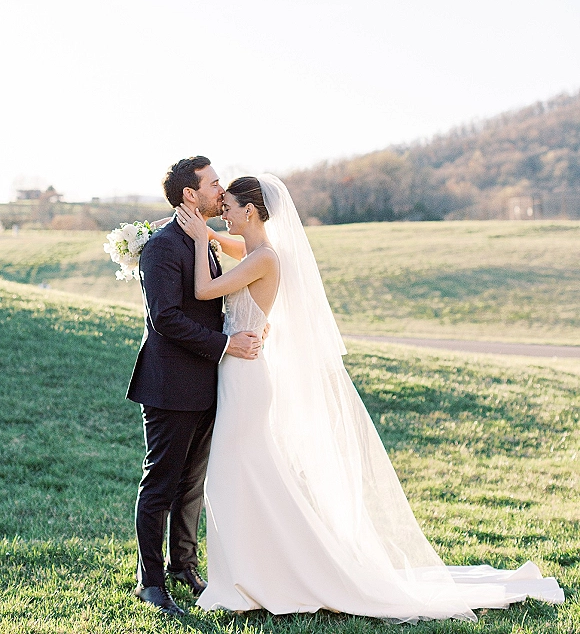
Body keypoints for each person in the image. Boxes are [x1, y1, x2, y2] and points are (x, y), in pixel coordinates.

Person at [175, 172, 564, 623]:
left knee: (235, 476)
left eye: (229, 207)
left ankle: (262, 577)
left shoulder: (266, 258)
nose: (222, 211)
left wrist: (202, 237)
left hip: (245, 379)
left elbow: (205, 290)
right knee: (245, 477)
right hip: (240, 372)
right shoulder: (256, 251)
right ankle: (259, 573)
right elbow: (232, 252)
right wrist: (212, 239)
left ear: (251, 211)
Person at [126, 156, 263, 616]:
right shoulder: (162, 246)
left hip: (206, 382)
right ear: (191, 193)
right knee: (161, 484)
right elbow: (165, 318)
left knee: (192, 485)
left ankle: (184, 566)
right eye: (214, 183)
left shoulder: (200, 239)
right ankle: (151, 581)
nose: (220, 190)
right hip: (169, 385)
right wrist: (225, 344)